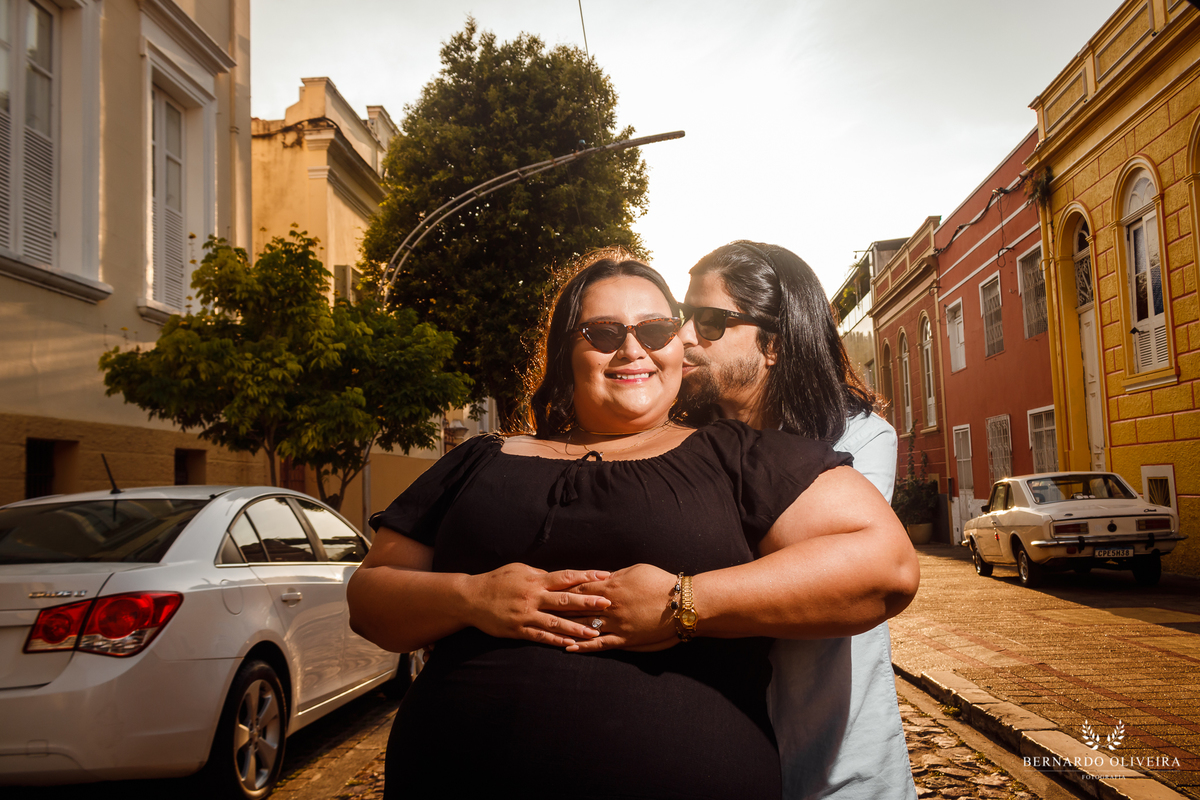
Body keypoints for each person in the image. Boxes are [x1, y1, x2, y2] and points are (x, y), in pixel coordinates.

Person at [347, 255, 918, 799]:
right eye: (601, 332)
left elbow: (883, 567)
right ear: (566, 350)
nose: (630, 349)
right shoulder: (479, 459)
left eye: (654, 331)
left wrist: (681, 602)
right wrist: (472, 596)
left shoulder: (741, 457)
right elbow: (370, 600)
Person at [680, 240, 916, 800]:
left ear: (775, 345)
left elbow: (840, 573)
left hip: (838, 769)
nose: (686, 337)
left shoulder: (858, 438)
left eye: (711, 321)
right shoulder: (680, 440)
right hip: (714, 757)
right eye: (683, 317)